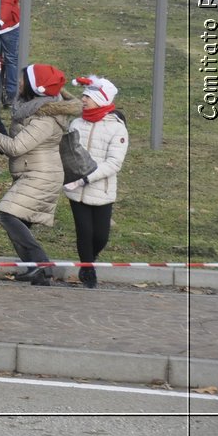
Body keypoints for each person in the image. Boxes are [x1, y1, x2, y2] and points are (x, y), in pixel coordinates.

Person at [0, 64, 81, 286]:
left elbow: (17, 147)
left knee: (7, 214)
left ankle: (42, 266)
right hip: (32, 172)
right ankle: (35, 269)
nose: (19, 82)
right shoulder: (31, 108)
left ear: (35, 87)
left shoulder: (44, 118)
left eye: (23, 79)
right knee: (20, 222)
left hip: (41, 175)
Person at [63, 75, 128, 288]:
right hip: (76, 190)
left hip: (101, 190)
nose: (83, 100)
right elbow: (70, 152)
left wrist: (86, 178)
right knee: (84, 232)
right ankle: (88, 270)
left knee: (100, 236)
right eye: (83, 96)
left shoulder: (117, 127)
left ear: (100, 99)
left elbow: (114, 163)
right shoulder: (76, 123)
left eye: (87, 97)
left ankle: (89, 260)